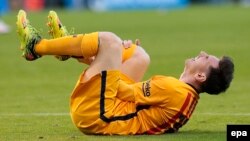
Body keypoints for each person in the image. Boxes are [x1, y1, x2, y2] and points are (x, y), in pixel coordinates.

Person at [16, 10, 234, 135]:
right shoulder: (184, 95)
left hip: (97, 116)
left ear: (200, 76)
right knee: (140, 55)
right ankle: (66, 48)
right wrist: (112, 59)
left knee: (111, 41)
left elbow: (119, 88)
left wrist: (111, 55)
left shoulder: (173, 89)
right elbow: (116, 84)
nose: (203, 52)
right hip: (107, 110)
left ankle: (36, 47)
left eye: (207, 58)